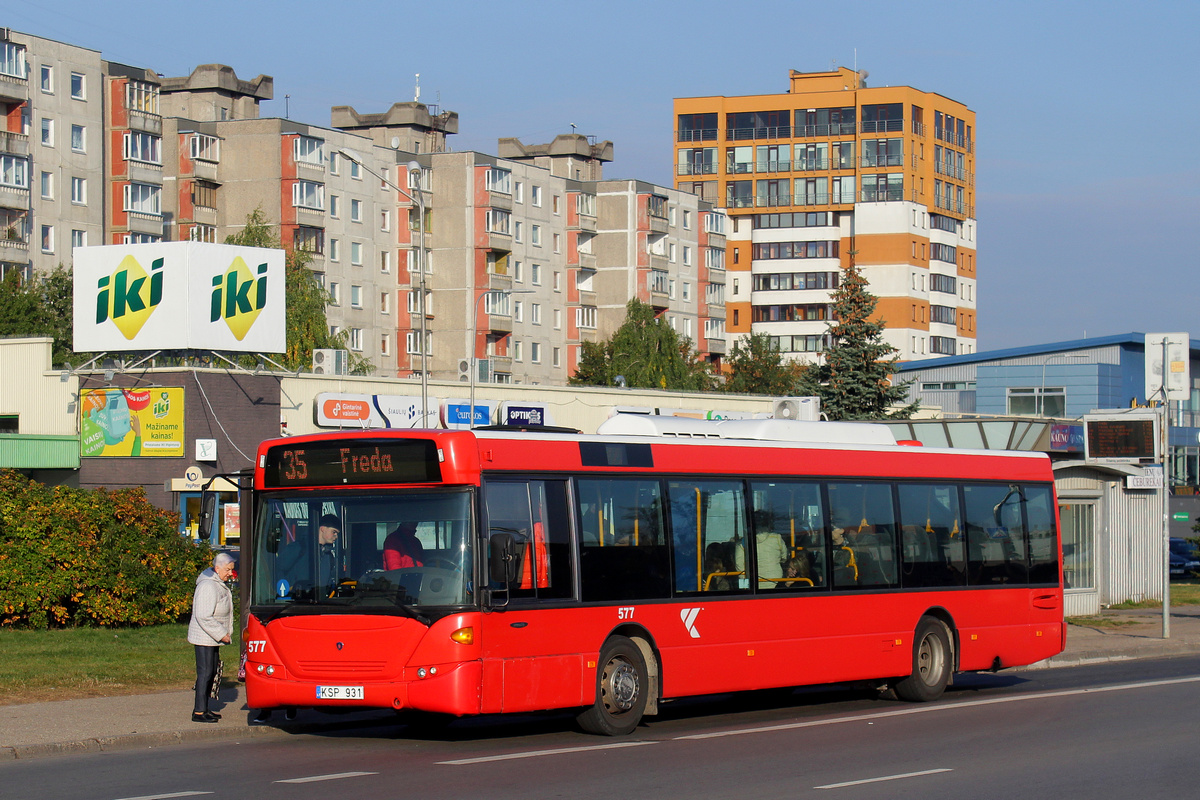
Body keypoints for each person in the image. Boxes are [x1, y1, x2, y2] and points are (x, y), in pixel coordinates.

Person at [188, 552, 235, 723]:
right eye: (228, 570)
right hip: (204, 637)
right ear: (217, 568)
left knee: (212, 671)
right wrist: (221, 634)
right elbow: (203, 616)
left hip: (211, 637)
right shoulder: (208, 586)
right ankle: (199, 711)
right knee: (206, 672)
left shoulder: (217, 583)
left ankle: (205, 708)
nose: (230, 573)